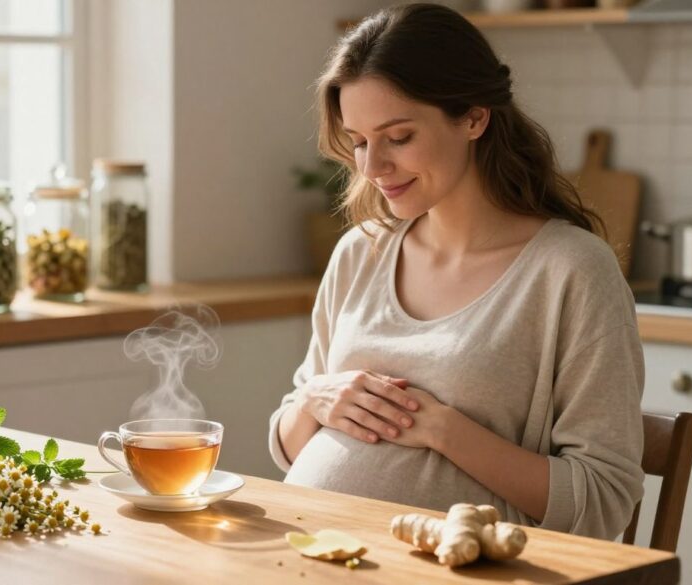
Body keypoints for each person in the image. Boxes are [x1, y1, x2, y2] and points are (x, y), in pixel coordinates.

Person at [268, 3, 644, 540]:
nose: (372, 167)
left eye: (398, 137)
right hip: (308, 555)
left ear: (473, 117)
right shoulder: (360, 253)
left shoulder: (572, 272)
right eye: (359, 140)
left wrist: (445, 431)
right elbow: (287, 450)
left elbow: (605, 501)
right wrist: (313, 401)